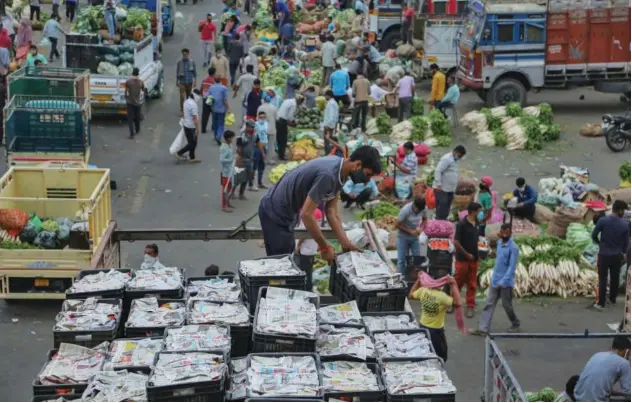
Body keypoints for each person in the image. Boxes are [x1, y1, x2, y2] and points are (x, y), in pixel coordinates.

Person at [258, 146, 382, 259]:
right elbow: (306, 214)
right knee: (280, 264)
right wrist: (324, 247)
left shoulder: (340, 171)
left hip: (288, 211)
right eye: (368, 175)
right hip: (274, 211)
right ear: (358, 165)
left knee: (286, 258)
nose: (367, 180)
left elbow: (331, 212)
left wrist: (345, 242)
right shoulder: (328, 175)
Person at [470, 223, 520, 335]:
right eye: (503, 232)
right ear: (501, 232)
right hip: (495, 279)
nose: (504, 234)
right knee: (489, 303)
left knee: (507, 305)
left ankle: (515, 322)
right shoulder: (499, 243)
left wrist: (503, 281)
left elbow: (511, 268)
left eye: (507, 232)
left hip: (505, 283)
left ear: (510, 233)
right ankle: (483, 329)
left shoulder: (513, 248)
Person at [409, 271, 458, 362]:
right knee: (441, 357)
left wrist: (418, 280)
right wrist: (453, 285)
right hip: (436, 331)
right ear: (443, 284)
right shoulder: (442, 297)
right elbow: (457, 302)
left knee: (424, 353)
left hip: (423, 326)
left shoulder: (423, 290)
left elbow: (411, 294)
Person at [591, 199, 630, 310]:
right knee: (615, 278)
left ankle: (601, 303)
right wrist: (623, 253)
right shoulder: (625, 224)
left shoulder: (603, 221)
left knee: (602, 278)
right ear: (621, 211)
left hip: (603, 254)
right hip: (617, 255)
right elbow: (626, 243)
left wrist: (600, 243)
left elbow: (594, 235)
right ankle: (612, 299)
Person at [574, 335, 631, 401]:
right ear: (626, 350)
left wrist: (615, 392)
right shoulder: (623, 363)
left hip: (578, 398)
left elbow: (596, 387)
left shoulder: (597, 355)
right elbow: (628, 391)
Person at [454, 202, 482, 318]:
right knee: (458, 282)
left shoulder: (477, 223)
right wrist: (466, 254)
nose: (480, 213)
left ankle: (470, 306)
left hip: (474, 259)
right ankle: (453, 302)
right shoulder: (462, 224)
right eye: (479, 211)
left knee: (472, 283)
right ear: (473, 211)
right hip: (462, 259)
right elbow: (456, 242)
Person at [395, 197, 427, 275]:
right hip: (403, 237)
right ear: (414, 206)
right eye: (418, 210)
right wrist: (410, 231)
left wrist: (420, 228)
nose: (419, 212)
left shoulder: (424, 208)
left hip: (414, 237)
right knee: (401, 260)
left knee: (417, 258)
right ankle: (400, 277)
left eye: (420, 211)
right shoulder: (405, 210)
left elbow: (425, 219)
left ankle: (416, 278)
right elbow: (396, 225)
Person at [434, 145, 466, 220]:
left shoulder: (455, 160)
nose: (460, 158)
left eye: (461, 156)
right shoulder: (446, 159)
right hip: (442, 188)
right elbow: (438, 171)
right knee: (442, 207)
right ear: (455, 152)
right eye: (460, 155)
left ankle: (443, 220)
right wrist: (438, 184)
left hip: (450, 189)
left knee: (447, 207)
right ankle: (438, 221)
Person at [295, 208, 323, 292]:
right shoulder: (318, 212)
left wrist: (298, 246)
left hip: (306, 250)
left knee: (305, 271)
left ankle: (306, 289)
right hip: (312, 247)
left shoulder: (307, 213)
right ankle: (308, 287)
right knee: (309, 270)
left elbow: (304, 234)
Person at [176, 89, 201, 163]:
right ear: (196, 96)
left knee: (192, 142)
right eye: (199, 96)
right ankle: (179, 153)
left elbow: (184, 113)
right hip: (191, 126)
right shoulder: (193, 105)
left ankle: (192, 157)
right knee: (192, 143)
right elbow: (195, 118)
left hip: (186, 125)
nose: (199, 98)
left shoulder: (186, 101)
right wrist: (197, 129)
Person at [276, 95, 302, 161]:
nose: (299, 104)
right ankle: (281, 156)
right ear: (299, 101)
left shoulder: (287, 100)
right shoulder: (294, 104)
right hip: (282, 121)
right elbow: (290, 116)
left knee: (279, 138)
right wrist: (294, 122)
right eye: (300, 102)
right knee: (283, 139)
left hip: (278, 119)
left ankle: (279, 153)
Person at [207, 78, 230, 145]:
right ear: (220, 81)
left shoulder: (211, 87)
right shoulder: (224, 88)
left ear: (214, 81)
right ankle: (218, 135)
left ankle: (215, 135)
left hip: (213, 108)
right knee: (221, 124)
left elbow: (208, 96)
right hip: (221, 109)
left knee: (215, 123)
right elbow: (225, 100)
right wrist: (228, 108)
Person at [237, 120, 257, 197]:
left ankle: (241, 194)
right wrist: (239, 160)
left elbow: (256, 144)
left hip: (250, 160)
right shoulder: (242, 136)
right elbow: (239, 148)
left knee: (247, 178)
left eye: (253, 127)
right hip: (243, 159)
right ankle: (232, 193)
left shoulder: (254, 136)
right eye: (251, 127)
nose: (252, 129)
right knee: (239, 178)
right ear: (247, 126)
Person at [124, 67, 144, 139]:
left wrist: (126, 98)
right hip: (137, 103)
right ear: (138, 74)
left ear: (132, 73)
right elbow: (143, 89)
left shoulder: (128, 82)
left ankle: (132, 134)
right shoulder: (141, 82)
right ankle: (137, 130)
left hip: (130, 102)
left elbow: (126, 92)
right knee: (137, 117)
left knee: (130, 119)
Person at [257, 94, 278, 164]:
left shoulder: (260, 107)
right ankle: (269, 160)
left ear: (264, 100)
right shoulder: (274, 108)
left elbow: (257, 118)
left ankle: (260, 158)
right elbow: (276, 118)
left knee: (261, 144)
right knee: (271, 145)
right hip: (271, 129)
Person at [176, 49, 197, 113]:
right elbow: (177, 72)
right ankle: (182, 110)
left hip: (189, 82)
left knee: (188, 97)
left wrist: (195, 81)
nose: (184, 56)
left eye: (186, 54)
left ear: (188, 54)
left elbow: (195, 73)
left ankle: (188, 109)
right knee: (182, 97)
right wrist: (176, 81)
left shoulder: (192, 62)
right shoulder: (179, 62)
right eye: (183, 55)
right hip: (182, 82)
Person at [220, 130, 236, 212]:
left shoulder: (230, 145)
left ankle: (228, 202)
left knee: (230, 187)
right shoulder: (224, 147)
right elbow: (222, 160)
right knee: (225, 189)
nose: (233, 139)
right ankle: (224, 205)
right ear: (229, 138)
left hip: (231, 170)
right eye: (232, 137)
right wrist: (231, 160)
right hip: (226, 172)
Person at [253, 111, 269, 190]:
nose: (262, 119)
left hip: (265, 146)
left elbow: (266, 135)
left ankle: (260, 182)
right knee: (254, 166)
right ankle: (251, 184)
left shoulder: (266, 124)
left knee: (261, 166)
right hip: (257, 147)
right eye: (261, 117)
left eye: (263, 117)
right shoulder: (255, 124)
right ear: (258, 117)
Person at [200, 67, 216, 134]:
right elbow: (215, 91)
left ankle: (203, 129)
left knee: (205, 114)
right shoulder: (213, 81)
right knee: (214, 113)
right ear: (214, 73)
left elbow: (201, 88)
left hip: (205, 97)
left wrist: (202, 95)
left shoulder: (204, 80)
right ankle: (213, 127)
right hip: (211, 98)